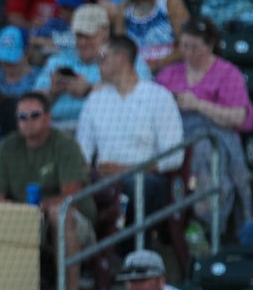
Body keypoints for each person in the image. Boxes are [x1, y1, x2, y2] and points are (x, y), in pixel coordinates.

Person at [0, 91, 95, 290]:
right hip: (28, 219)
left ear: (48, 117)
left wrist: (32, 208)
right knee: (4, 217)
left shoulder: (65, 144)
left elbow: (71, 196)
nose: (27, 121)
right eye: (22, 116)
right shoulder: (8, 146)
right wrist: (22, 210)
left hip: (77, 223)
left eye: (34, 115)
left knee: (60, 215)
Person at [156, 16, 253, 231]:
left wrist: (198, 105)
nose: (188, 52)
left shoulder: (228, 73)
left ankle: (207, 221)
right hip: (174, 135)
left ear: (210, 46)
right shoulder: (170, 73)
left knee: (202, 150)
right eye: (184, 46)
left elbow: (239, 118)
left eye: (194, 47)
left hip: (215, 138)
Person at [77, 35, 183, 218]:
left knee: (135, 186)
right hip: (104, 180)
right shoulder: (95, 100)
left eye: (102, 57)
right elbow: (81, 153)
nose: (97, 64)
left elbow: (174, 156)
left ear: (121, 58)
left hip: (146, 179)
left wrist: (126, 169)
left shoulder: (159, 96)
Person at [34, 3, 152, 131]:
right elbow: (33, 103)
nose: (82, 42)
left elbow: (141, 94)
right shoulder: (58, 60)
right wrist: (52, 92)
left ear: (105, 32)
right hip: (57, 130)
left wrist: (89, 90)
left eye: (88, 35)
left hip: (110, 128)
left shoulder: (125, 58)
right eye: (79, 35)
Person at [115, 0, 188, 74]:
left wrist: (157, 65)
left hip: (170, 70)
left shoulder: (171, 2)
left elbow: (186, 46)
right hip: (136, 74)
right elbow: (119, 49)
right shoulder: (124, 9)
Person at [0, 26, 40, 100]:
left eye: (12, 57)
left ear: (27, 50)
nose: (7, 62)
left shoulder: (39, 79)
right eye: (3, 57)